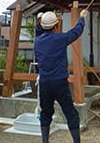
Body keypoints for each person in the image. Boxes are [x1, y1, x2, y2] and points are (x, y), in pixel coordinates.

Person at [34, 9, 88, 143]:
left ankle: (44, 141)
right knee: (70, 113)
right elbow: (76, 32)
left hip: (44, 83)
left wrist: (40, 20)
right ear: (56, 26)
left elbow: (39, 31)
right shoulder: (60, 39)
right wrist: (81, 18)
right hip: (60, 83)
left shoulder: (37, 41)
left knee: (45, 114)